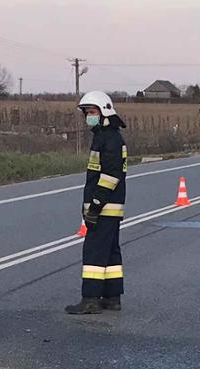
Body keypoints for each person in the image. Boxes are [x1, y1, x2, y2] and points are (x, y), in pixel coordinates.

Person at [67, 90, 127, 315]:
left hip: (104, 206)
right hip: (112, 207)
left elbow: (109, 176)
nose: (88, 117)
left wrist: (94, 205)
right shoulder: (107, 135)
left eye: (91, 112)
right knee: (111, 252)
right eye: (86, 113)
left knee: (93, 252)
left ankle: (90, 299)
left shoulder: (108, 138)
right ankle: (112, 297)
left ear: (104, 111)